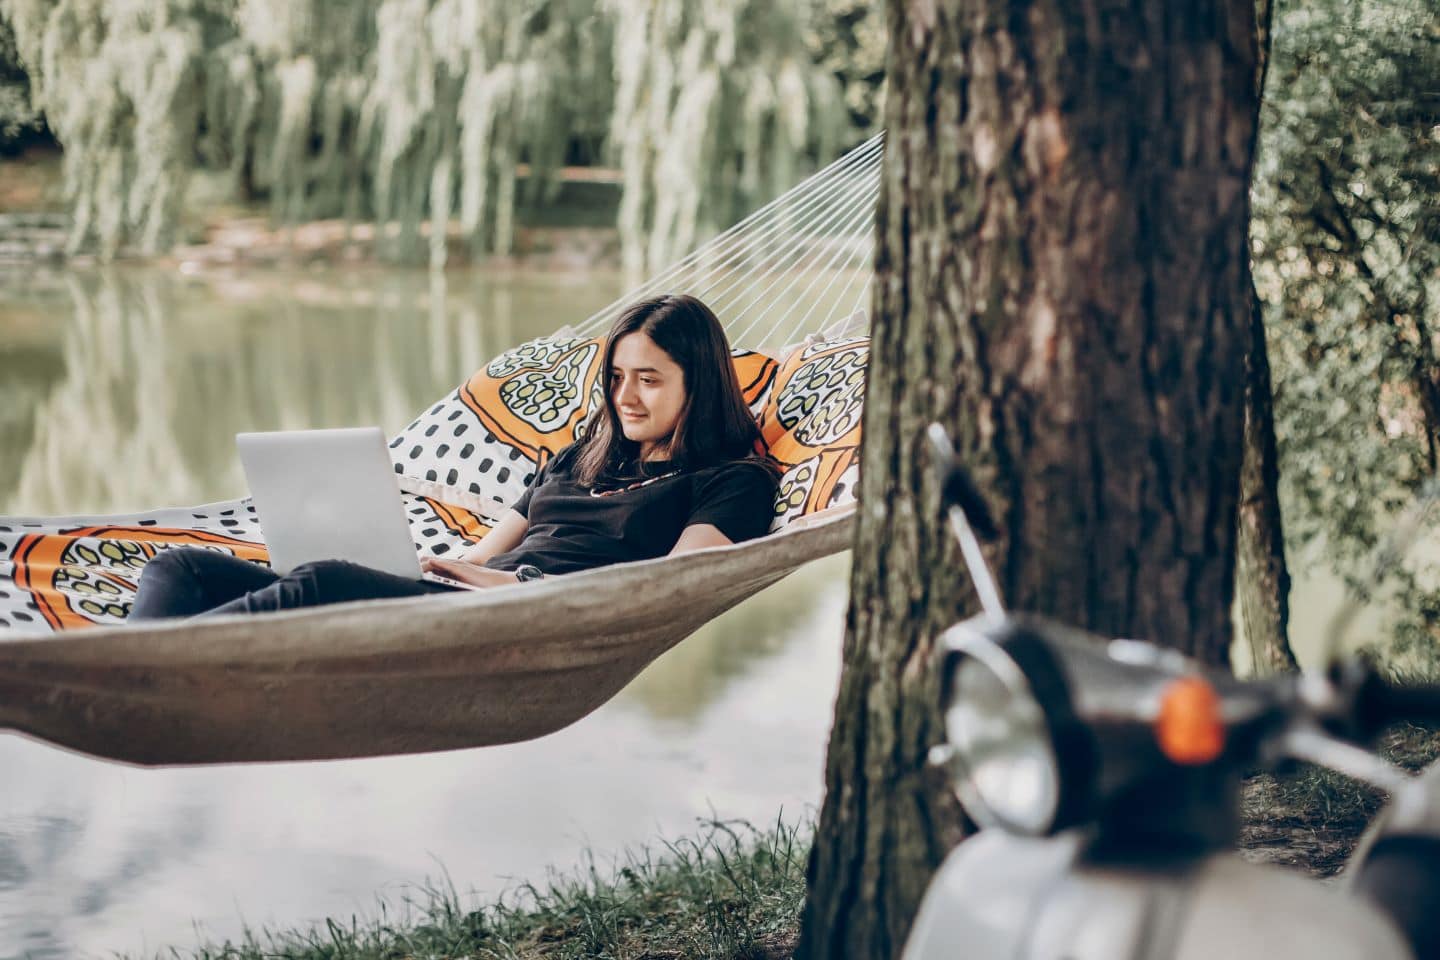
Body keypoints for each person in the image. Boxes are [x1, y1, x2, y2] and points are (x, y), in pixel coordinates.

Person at [128, 294, 779, 620]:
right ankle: (141, 667)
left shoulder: (731, 481)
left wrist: (513, 584)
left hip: (523, 618)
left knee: (324, 583)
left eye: (650, 379)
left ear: (699, 381)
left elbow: (667, 586)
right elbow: (484, 553)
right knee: (181, 566)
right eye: (615, 376)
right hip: (462, 596)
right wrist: (432, 564)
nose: (625, 397)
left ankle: (150, 673)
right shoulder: (587, 452)